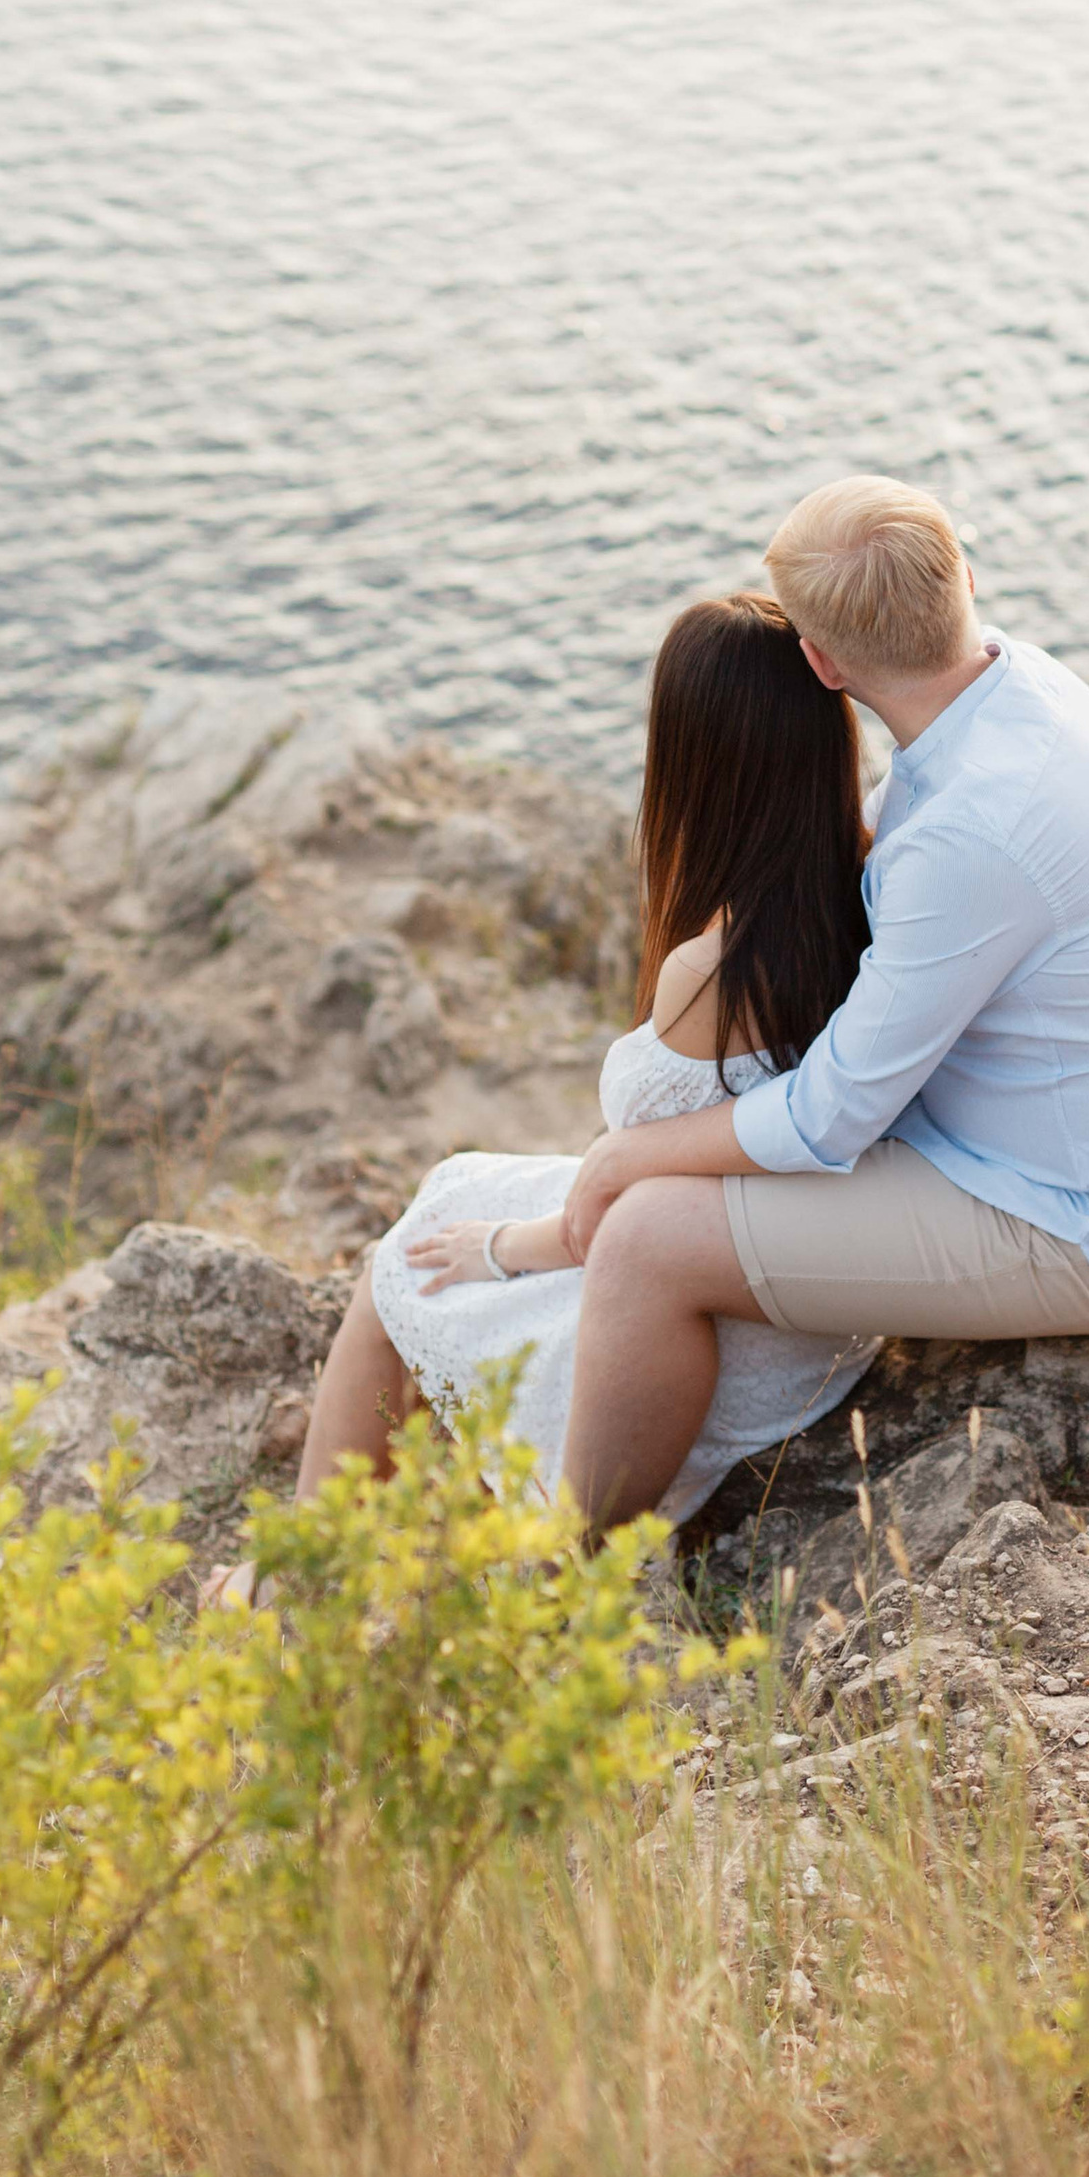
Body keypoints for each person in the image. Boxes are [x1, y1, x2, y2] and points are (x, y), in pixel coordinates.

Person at [550, 473, 1089, 1533]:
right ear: (966, 582)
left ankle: (566, 1565)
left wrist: (623, 1155)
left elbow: (832, 1119)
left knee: (647, 1236)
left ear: (823, 666)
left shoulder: (976, 831)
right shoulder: (1018, 687)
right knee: (669, 1178)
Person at [293, 592, 883, 1521]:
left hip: (703, 1330)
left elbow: (618, 1217)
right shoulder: (876, 890)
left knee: (403, 1264)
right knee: (454, 1192)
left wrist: (501, 1251)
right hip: (816, 1309)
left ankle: (301, 1582)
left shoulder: (718, 974)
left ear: (694, 762)